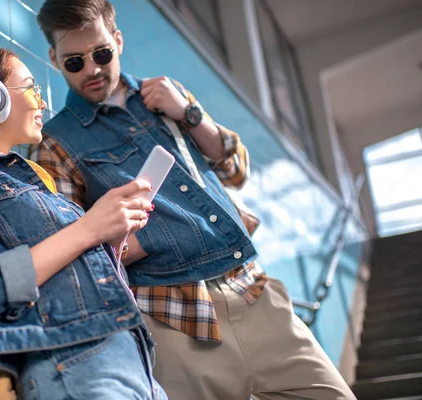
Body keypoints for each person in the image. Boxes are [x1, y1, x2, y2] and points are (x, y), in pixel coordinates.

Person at [30, 1, 356, 399]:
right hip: (173, 319)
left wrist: (189, 113)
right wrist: (143, 238)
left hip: (252, 291)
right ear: (54, 58)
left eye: (101, 54)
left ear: (117, 40)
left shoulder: (168, 95)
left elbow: (234, 170)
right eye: (74, 62)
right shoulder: (56, 144)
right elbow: (73, 254)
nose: (93, 70)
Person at [0, 43, 167, 400]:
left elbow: (66, 283)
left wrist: (113, 237)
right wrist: (88, 229)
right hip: (76, 369)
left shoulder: (38, 182)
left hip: (139, 370)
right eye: (31, 88)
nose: (42, 103)